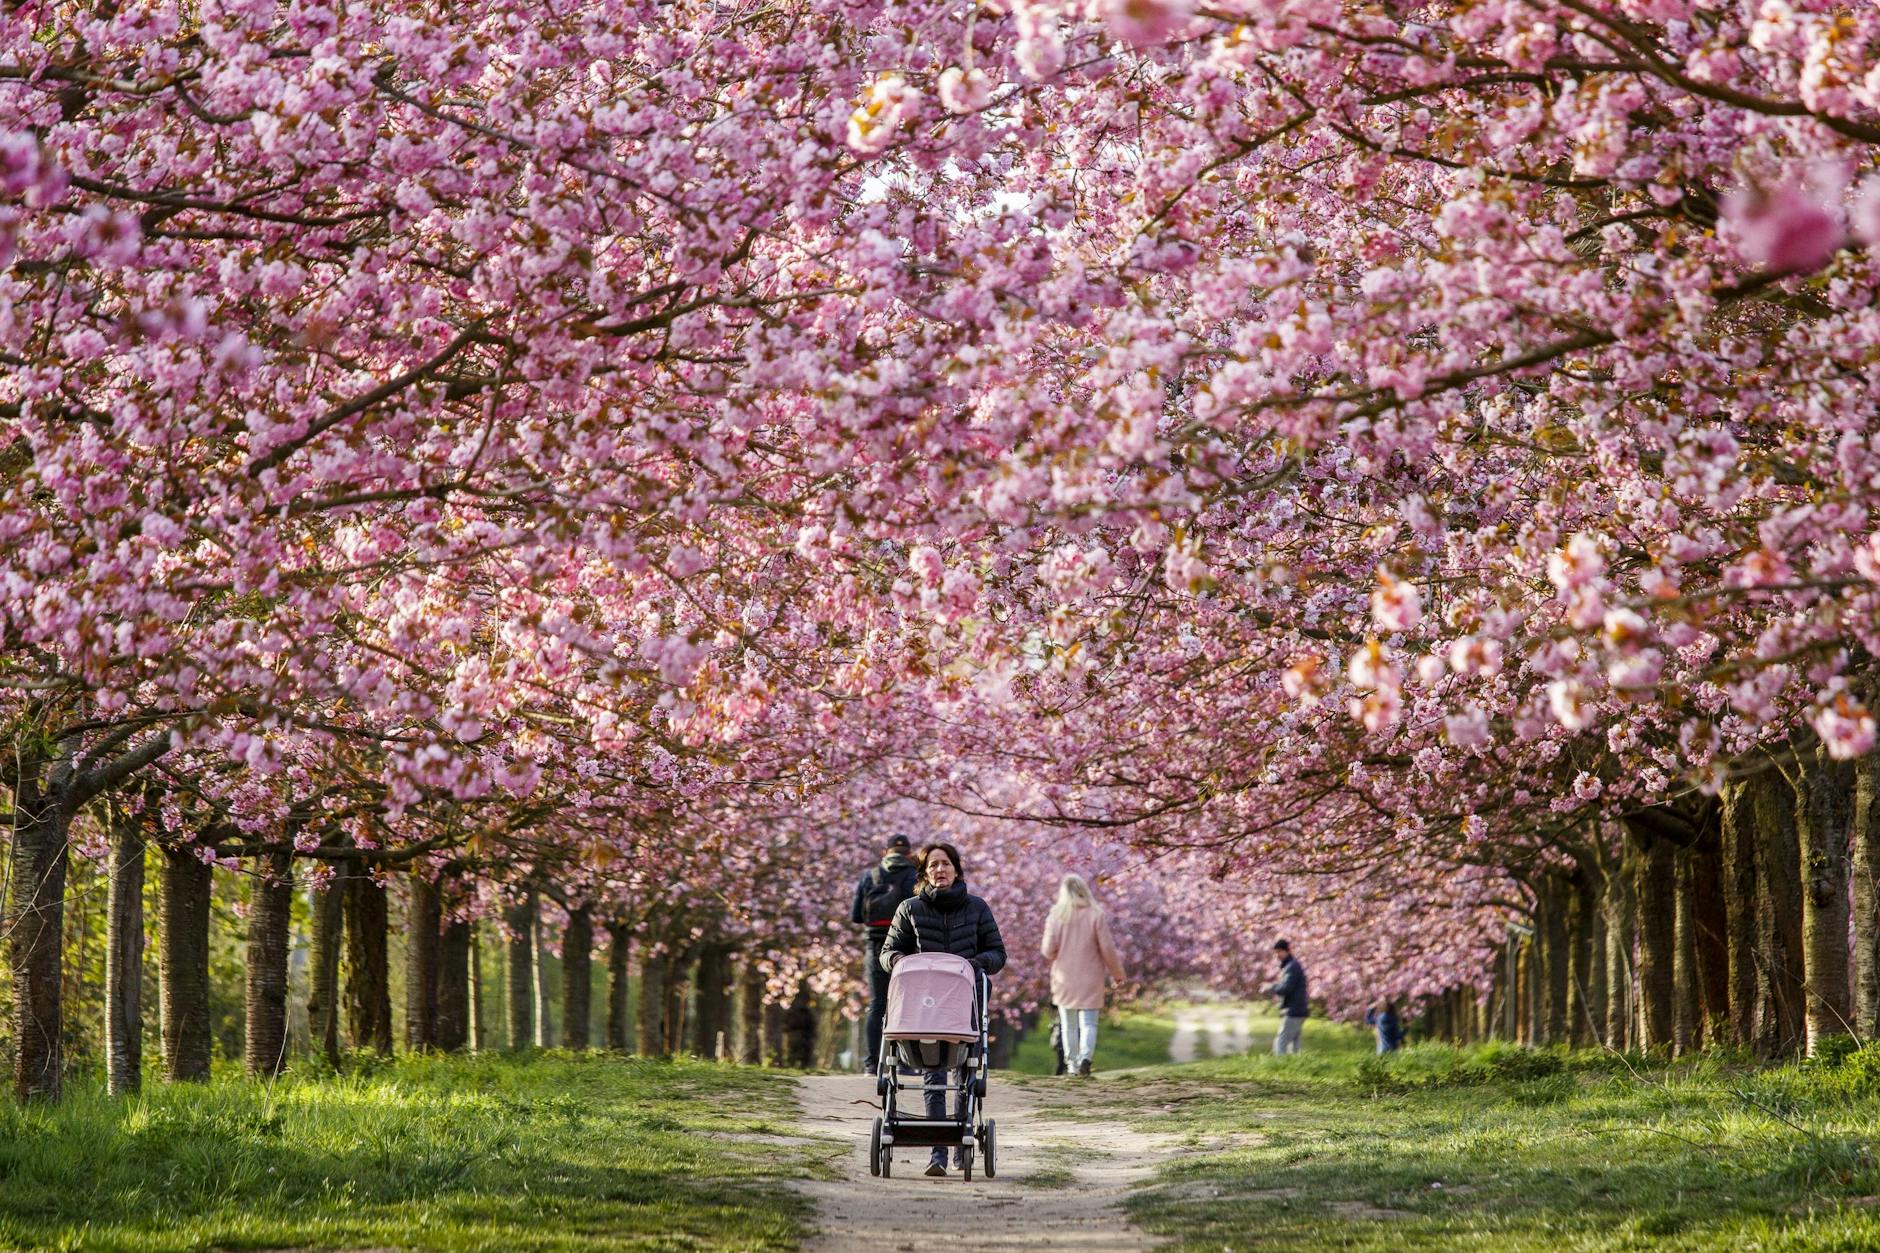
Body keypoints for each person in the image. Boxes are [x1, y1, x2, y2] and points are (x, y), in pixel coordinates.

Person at [881, 841, 1006, 1178]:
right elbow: (888, 951)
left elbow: (998, 953)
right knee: (933, 1073)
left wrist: (975, 964)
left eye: (946, 864)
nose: (940, 870)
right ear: (924, 872)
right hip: (925, 1002)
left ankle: (960, 1143)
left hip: (965, 999)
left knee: (964, 1072)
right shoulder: (910, 909)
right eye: (933, 864)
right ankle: (937, 1153)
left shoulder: (977, 908)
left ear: (956, 869)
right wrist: (898, 961)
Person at [1040, 873, 1126, 1077]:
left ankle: (1072, 1065)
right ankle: (1086, 1058)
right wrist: (1117, 974)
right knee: (1088, 1022)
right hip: (1091, 977)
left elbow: (1048, 950)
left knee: (1068, 1024)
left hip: (1064, 977)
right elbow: (1107, 948)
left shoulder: (1057, 915)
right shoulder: (1096, 914)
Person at [850, 833, 919, 1077]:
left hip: (876, 943)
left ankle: (872, 1063)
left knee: (878, 1003)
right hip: (908, 947)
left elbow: (857, 916)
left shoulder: (870, 875)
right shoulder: (915, 876)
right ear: (909, 853)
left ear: (885, 852)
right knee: (906, 1003)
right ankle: (905, 1062)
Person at [1266, 939, 1308, 1055]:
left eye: (1279, 951)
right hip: (1299, 1009)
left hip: (1294, 1010)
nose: (1277, 955)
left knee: (1281, 1041)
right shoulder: (1292, 966)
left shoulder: (1292, 967)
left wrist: (1272, 987)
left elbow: (1286, 988)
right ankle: (1295, 1067)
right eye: (1275, 952)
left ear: (1287, 951)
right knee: (1295, 1044)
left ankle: (1280, 1068)